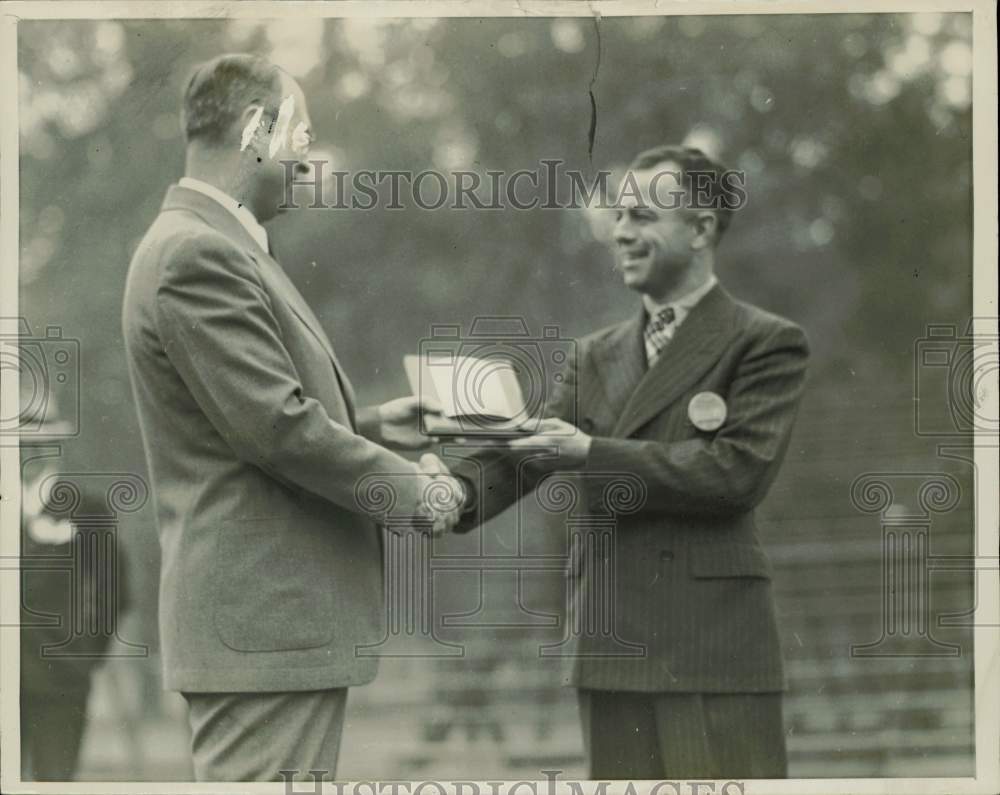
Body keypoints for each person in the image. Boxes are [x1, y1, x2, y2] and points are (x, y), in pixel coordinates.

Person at [121, 53, 462, 782]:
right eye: (300, 136)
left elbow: (246, 424)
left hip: (268, 632)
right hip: (262, 631)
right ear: (254, 131)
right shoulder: (197, 253)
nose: (308, 160)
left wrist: (366, 426)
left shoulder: (210, 244)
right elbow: (276, 429)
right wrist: (418, 493)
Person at [451, 145, 810, 779]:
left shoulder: (765, 341)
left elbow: (735, 474)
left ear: (700, 229)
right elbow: (530, 451)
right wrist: (449, 494)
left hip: (710, 649)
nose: (621, 232)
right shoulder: (594, 354)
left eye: (642, 216)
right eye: (618, 217)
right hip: (610, 645)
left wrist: (592, 454)